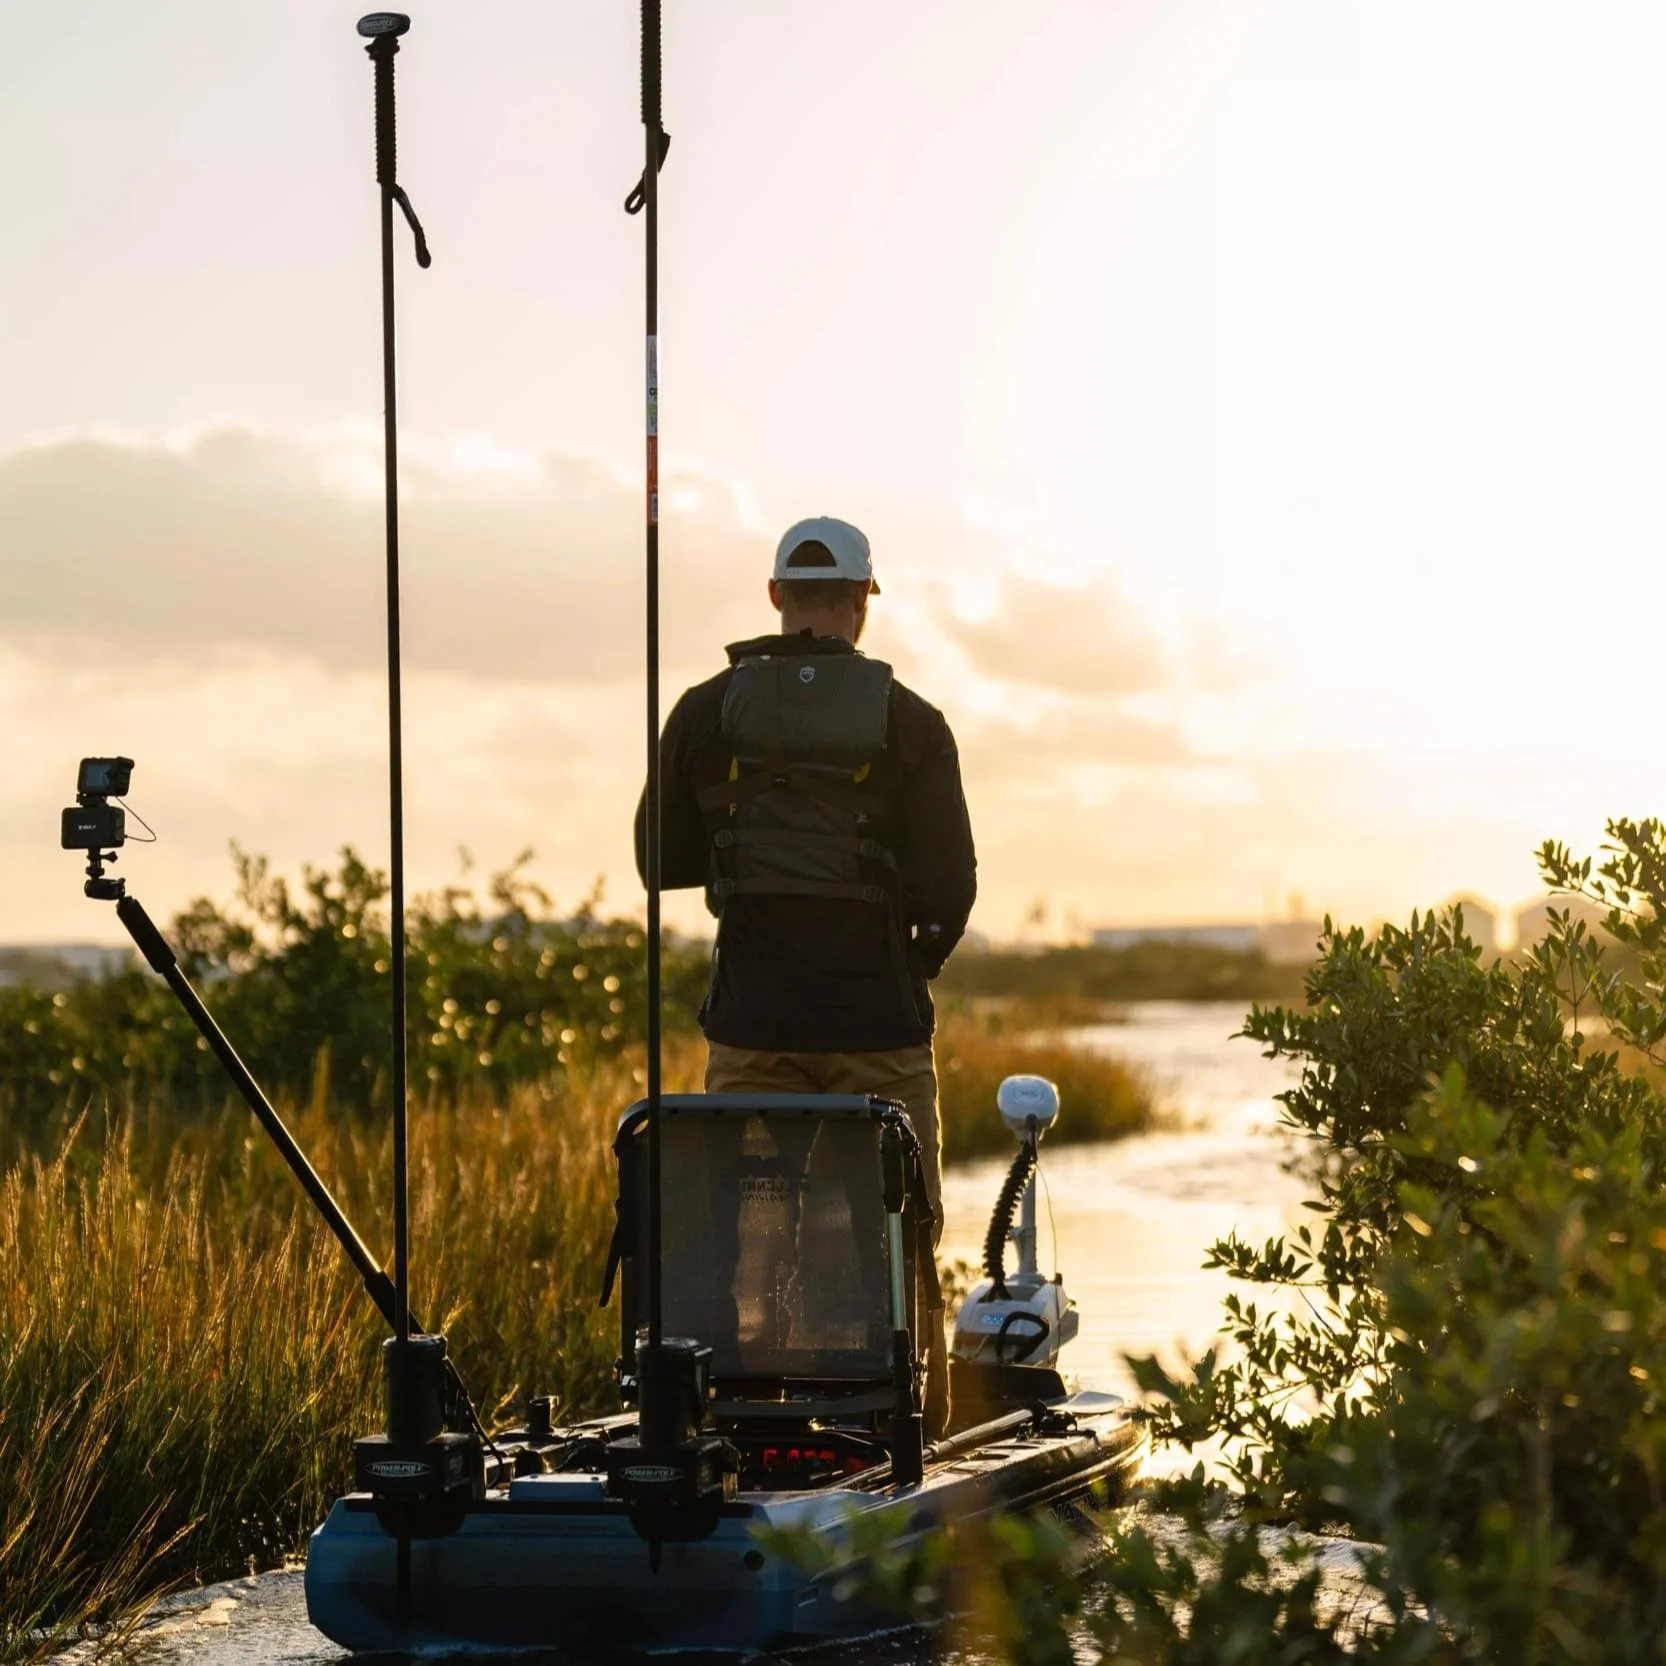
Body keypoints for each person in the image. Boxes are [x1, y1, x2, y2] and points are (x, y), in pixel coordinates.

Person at [635, 514, 977, 1431]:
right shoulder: (913, 724)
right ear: (864, 603)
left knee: (742, 1237)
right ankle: (907, 1432)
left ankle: (738, 1425)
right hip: (880, 1035)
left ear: (777, 596)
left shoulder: (705, 712)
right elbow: (952, 888)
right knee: (901, 1234)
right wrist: (904, 970)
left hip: (750, 1029)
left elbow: (654, 862)